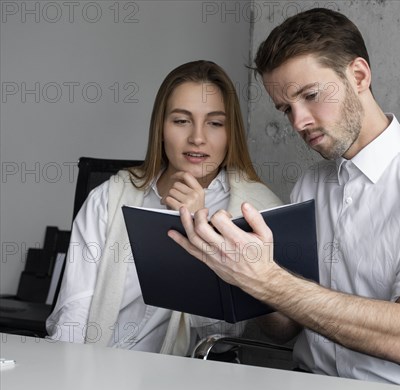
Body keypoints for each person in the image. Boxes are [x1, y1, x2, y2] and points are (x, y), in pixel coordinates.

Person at [169, 9, 400, 390]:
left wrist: (270, 281)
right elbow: (283, 330)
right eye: (286, 108)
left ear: (358, 76)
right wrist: (237, 272)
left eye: (311, 95)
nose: (298, 122)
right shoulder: (309, 186)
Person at [47, 60, 282, 356]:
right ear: (160, 128)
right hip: (99, 366)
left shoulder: (256, 209)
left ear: (230, 132)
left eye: (215, 123)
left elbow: (222, 335)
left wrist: (199, 226)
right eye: (181, 121)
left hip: (187, 379)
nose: (197, 137)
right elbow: (74, 311)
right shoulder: (109, 197)